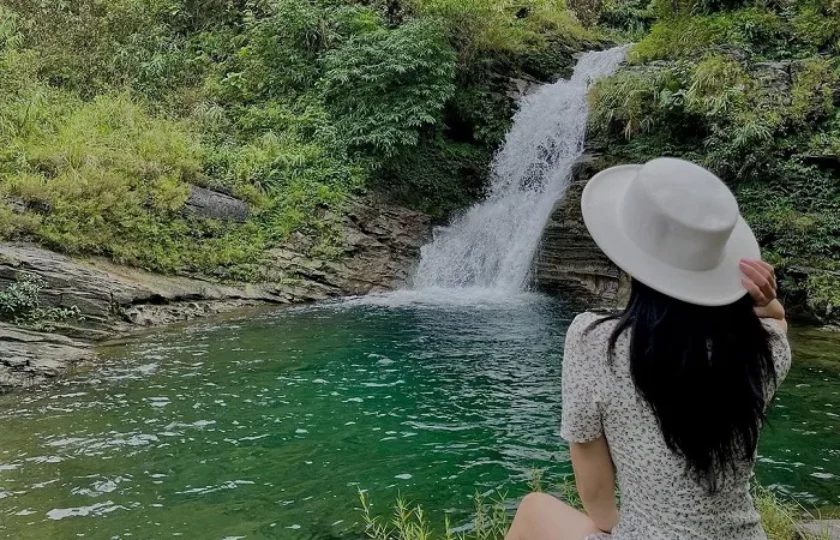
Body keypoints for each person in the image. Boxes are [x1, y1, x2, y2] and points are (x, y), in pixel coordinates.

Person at [506, 158, 791, 540]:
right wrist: (764, 299)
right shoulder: (763, 352)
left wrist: (619, 528)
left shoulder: (593, 341)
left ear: (631, 257)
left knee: (533, 510)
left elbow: (597, 498)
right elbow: (776, 321)